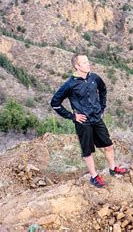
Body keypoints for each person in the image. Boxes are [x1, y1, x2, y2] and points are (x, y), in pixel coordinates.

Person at [50, 53, 126, 187]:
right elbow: (55, 102)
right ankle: (94, 176)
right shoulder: (69, 84)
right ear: (76, 66)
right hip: (83, 122)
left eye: (88, 61)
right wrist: (72, 116)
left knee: (108, 146)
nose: (88, 64)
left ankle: (113, 169)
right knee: (88, 151)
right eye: (84, 62)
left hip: (97, 118)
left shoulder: (94, 78)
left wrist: (102, 108)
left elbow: (103, 90)